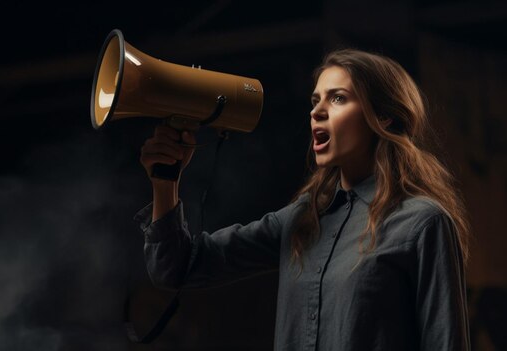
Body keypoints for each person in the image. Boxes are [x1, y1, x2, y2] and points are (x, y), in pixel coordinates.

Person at [135, 49, 471, 350]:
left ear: (383, 117)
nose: (317, 112)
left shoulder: (423, 223)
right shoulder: (303, 218)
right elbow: (176, 268)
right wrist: (166, 181)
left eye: (338, 98)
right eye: (315, 101)